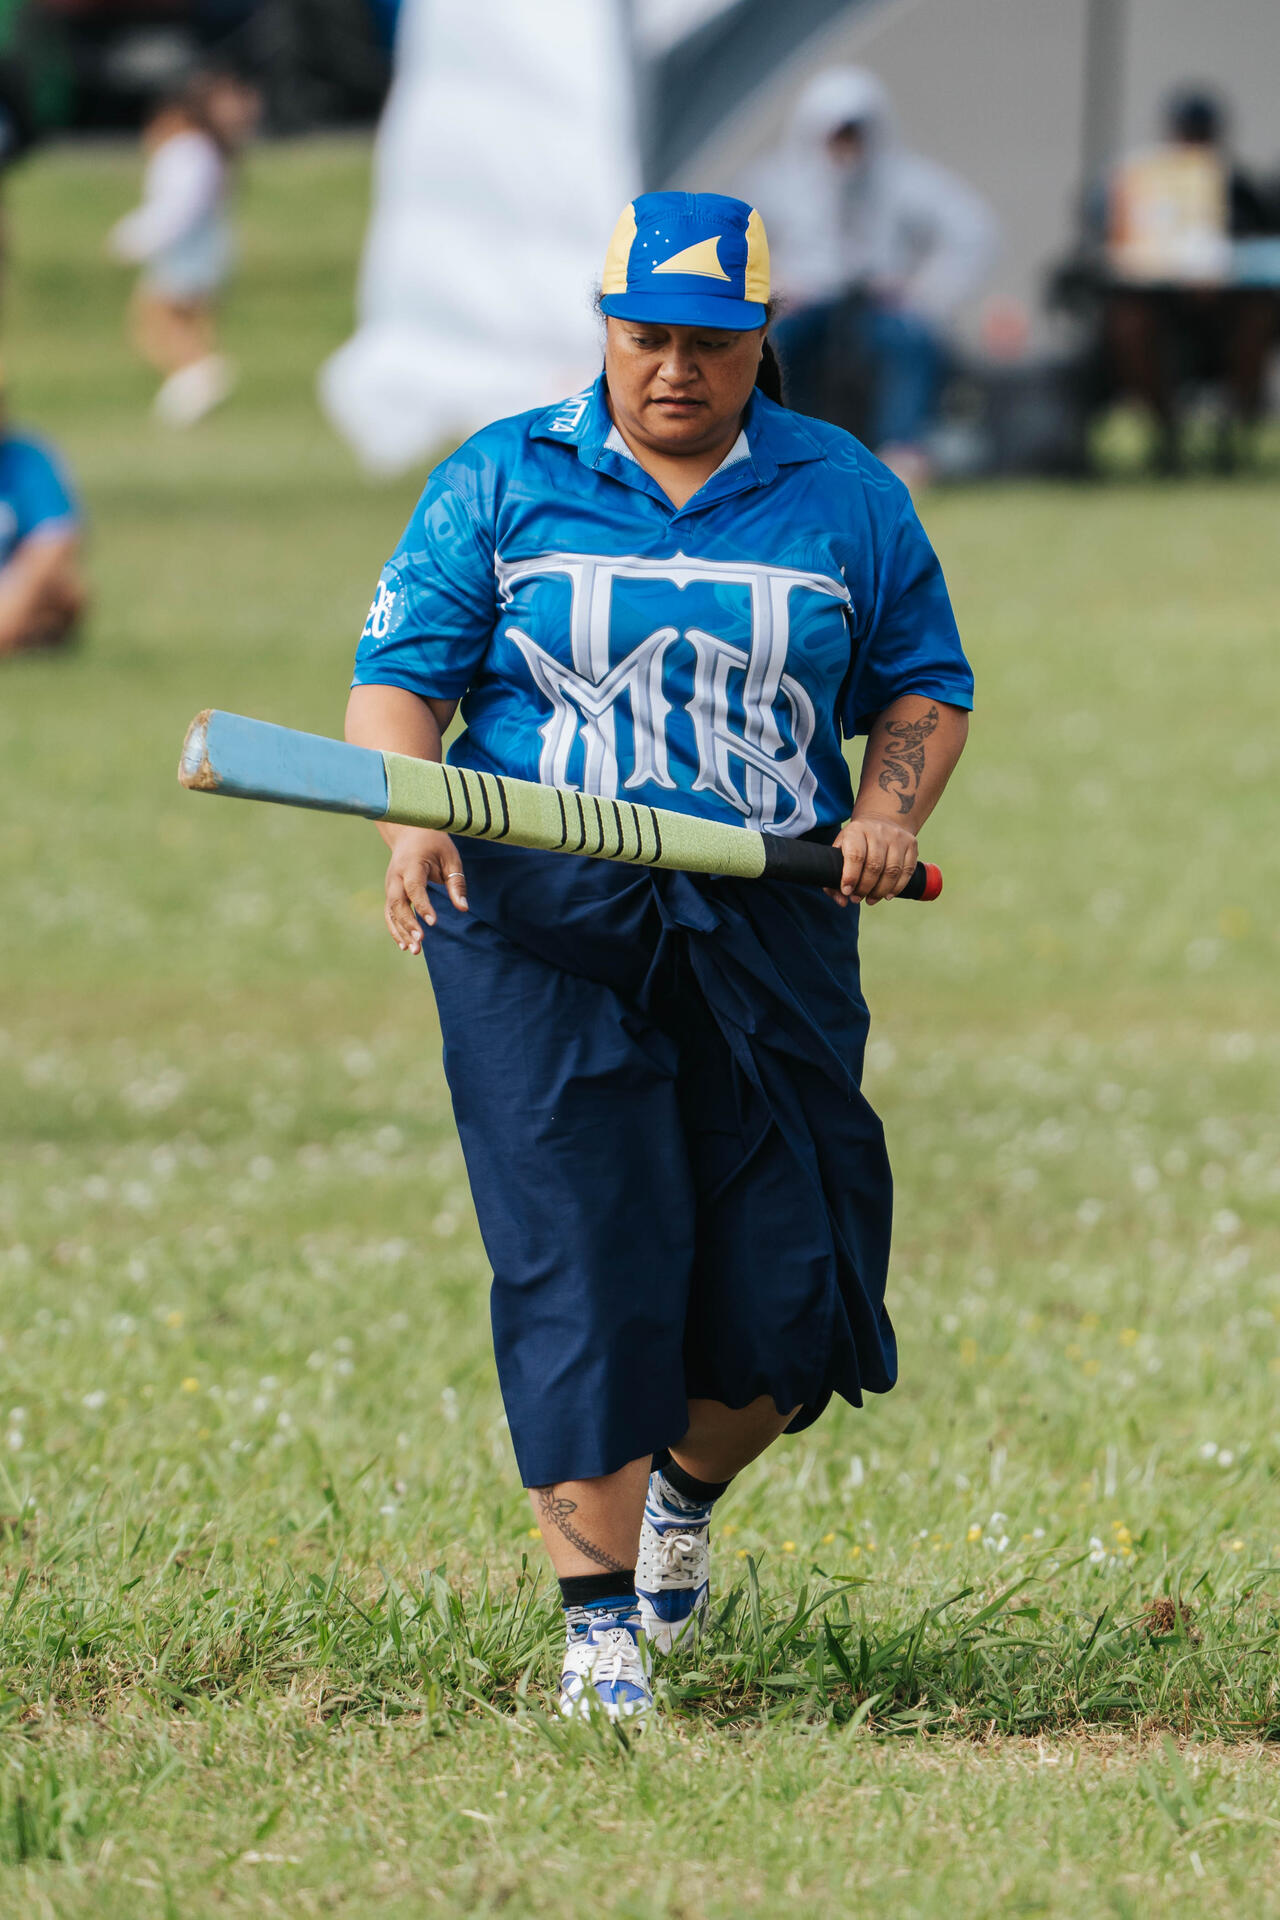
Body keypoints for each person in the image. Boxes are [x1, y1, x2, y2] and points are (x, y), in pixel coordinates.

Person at [346, 192, 972, 1721]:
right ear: (605, 330)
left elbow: (923, 687)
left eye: (710, 343)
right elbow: (397, 678)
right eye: (646, 340)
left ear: (766, 340)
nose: (675, 372)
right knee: (583, 1243)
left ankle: (687, 1491)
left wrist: (887, 813)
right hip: (536, 921)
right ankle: (598, 1628)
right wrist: (408, 820)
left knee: (793, 1292)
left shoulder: (846, 496)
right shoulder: (504, 477)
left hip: (770, 922)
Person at [744, 66, 997, 488]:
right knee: (775, 346)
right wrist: (775, 288)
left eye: (855, 134)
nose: (846, 147)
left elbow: (973, 229)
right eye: (836, 134)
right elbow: (733, 242)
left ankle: (902, 450)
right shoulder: (779, 182)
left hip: (877, 301)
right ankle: (783, 444)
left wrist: (926, 293)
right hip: (807, 299)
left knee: (911, 340)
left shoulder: (901, 180)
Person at [1100, 87, 1276, 473]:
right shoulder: (1141, 183)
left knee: (1259, 318)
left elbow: (1263, 249)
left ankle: (1238, 430)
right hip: (1159, 310)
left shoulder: (1238, 187)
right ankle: (1166, 432)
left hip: (1227, 312)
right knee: (1129, 324)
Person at [108, 69, 260, 428]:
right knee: (185, 323)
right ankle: (195, 387)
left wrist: (136, 238)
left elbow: (176, 209)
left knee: (154, 322)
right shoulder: (204, 151)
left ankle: (201, 374)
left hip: (185, 254)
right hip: (200, 253)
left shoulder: (185, 152)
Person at [0, 370, 86, 659]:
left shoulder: (26, 459)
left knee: (65, 592)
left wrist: (13, 603)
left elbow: (55, 542)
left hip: (12, 585)